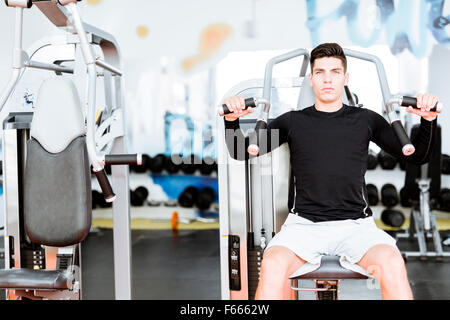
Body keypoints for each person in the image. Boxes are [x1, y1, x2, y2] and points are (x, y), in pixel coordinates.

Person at [222, 43, 441, 300]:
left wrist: (428, 120)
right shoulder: (292, 121)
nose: (328, 78)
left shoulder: (366, 120)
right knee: (272, 265)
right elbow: (241, 151)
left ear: (345, 78)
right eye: (321, 72)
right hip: (303, 226)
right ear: (311, 78)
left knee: (393, 265)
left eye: (335, 72)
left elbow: (417, 155)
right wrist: (231, 121)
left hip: (356, 226)